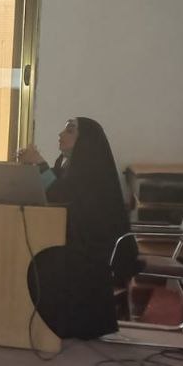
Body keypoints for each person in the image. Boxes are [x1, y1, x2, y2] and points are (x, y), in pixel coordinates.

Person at [18, 117, 136, 338]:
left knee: (40, 262)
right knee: (33, 255)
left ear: (86, 141)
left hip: (89, 249)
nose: (60, 134)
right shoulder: (68, 164)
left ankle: (55, 327)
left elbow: (59, 194)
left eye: (70, 130)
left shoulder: (91, 170)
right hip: (74, 240)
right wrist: (31, 166)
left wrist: (39, 163)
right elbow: (53, 188)